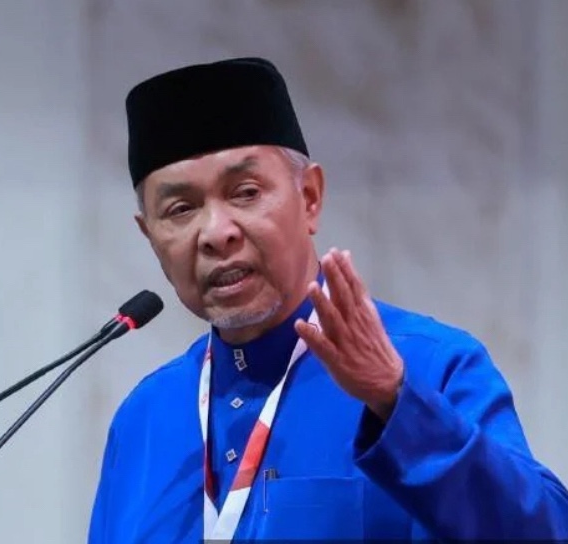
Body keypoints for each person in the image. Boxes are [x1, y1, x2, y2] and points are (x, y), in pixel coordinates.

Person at [87, 57, 568, 542]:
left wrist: (396, 401)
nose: (216, 232)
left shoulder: (430, 367)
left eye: (245, 193)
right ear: (150, 236)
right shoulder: (143, 419)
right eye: (181, 209)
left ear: (310, 197)